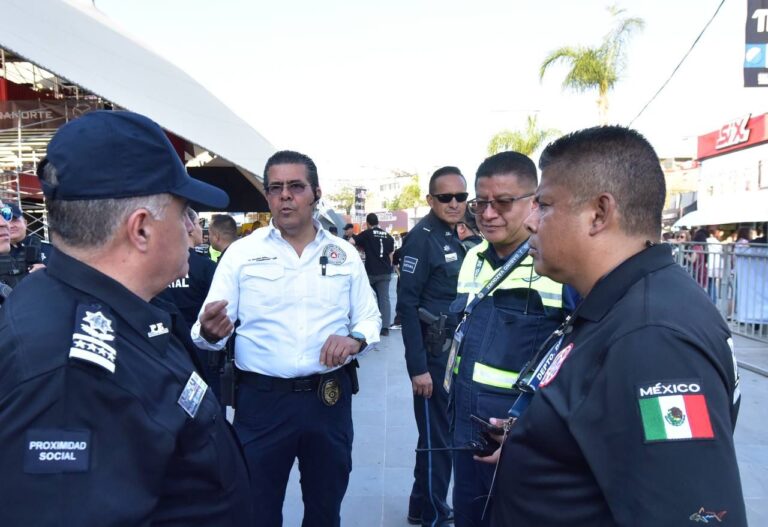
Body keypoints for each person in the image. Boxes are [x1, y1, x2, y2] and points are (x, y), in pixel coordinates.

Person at [0, 110, 253, 526]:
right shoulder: (69, 378)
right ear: (141, 230)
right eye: (183, 211)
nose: (192, 228)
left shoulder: (102, 307)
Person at [485, 125, 746, 526]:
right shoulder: (618, 302)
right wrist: (538, 441)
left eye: (545, 205)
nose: (531, 222)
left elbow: (692, 513)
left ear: (599, 214)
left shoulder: (653, 337)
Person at [191, 150, 381, 527]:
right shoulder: (242, 255)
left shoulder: (342, 254)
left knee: (325, 510)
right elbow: (205, 328)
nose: (285, 196)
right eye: (275, 188)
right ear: (267, 197)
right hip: (261, 405)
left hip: (328, 401)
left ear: (315, 193)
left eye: (296, 186)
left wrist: (355, 339)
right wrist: (209, 333)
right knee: (257, 511)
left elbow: (369, 316)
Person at [450, 152, 571, 527]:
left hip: (518, 432)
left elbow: (573, 360)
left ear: (534, 201)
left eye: (502, 202)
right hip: (465, 422)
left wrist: (525, 428)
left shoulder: (557, 266)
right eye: (480, 203)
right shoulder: (472, 259)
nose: (487, 214)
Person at [396, 165, 468, 527]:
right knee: (439, 440)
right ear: (430, 199)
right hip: (433, 356)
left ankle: (419, 506)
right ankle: (436, 515)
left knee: (437, 436)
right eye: (446, 197)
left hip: (452, 353)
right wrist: (417, 368)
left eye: (461, 196)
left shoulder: (457, 233)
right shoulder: (422, 238)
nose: (455, 203)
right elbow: (406, 306)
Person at [354, 213, 395, 335]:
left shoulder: (367, 233)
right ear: (378, 222)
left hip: (371, 272)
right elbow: (390, 255)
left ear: (367, 223)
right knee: (384, 299)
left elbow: (351, 241)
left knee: (367, 298)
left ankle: (368, 324)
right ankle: (385, 328)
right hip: (385, 272)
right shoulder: (388, 236)